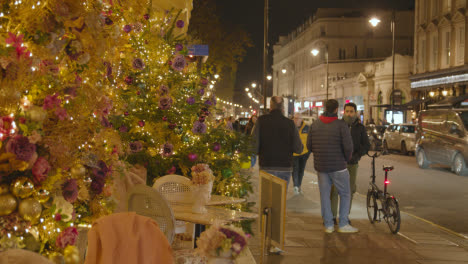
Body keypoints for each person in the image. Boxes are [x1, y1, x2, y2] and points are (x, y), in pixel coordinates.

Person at [307, 99, 358, 233]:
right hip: (338, 166)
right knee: (345, 194)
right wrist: (346, 159)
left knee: (324, 195)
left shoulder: (315, 125)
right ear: (336, 109)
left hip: (321, 166)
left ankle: (328, 225)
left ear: (325, 108)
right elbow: (348, 147)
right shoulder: (341, 125)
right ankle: (343, 224)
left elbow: (309, 146)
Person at [330, 102, 370, 225]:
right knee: (335, 190)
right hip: (338, 163)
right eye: (346, 111)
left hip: (352, 163)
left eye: (351, 111)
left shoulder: (360, 127)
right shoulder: (338, 125)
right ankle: (332, 217)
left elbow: (366, 145)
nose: (349, 114)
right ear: (343, 112)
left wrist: (357, 156)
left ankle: (345, 216)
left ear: (355, 112)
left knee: (349, 190)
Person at [252, 96, 303, 184]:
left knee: (267, 196)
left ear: (270, 107)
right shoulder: (290, 124)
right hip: (285, 167)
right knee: (280, 196)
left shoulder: (261, 121)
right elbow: (298, 148)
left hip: (266, 165)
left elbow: (253, 145)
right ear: (283, 108)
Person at [292, 113, 311, 195]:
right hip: (294, 154)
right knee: (295, 170)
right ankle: (296, 186)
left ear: (301, 119)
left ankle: (299, 185)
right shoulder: (290, 127)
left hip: (304, 153)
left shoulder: (307, 128)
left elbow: (310, 139)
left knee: (301, 170)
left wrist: (309, 151)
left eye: (298, 118)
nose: (296, 120)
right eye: (295, 118)